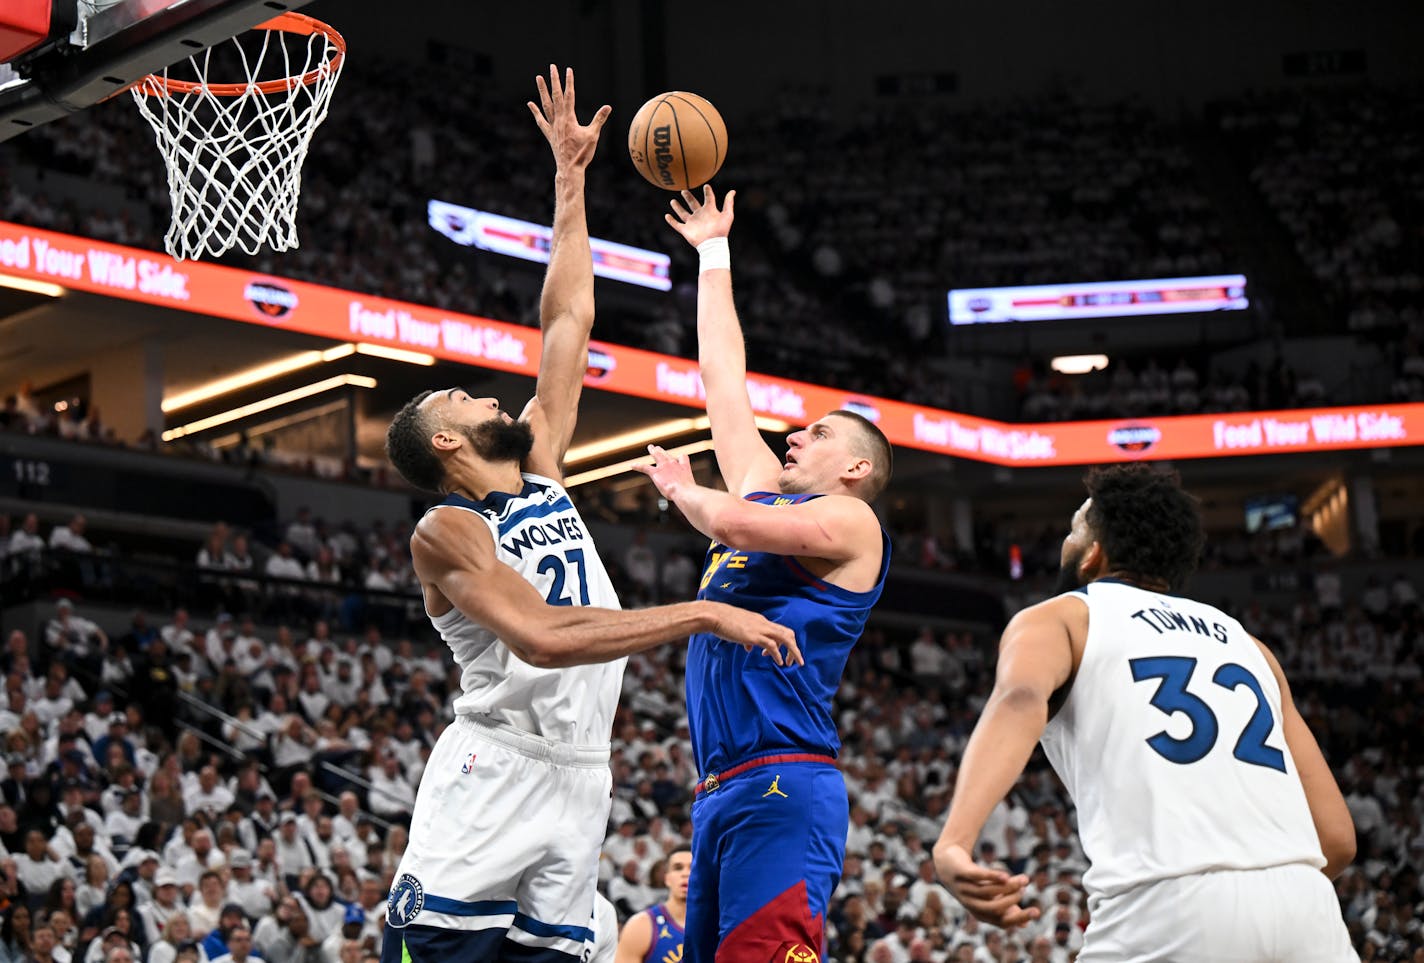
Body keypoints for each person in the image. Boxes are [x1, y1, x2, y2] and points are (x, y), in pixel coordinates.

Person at [378, 67, 797, 963]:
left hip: (580, 776)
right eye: (456, 398)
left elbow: (568, 316)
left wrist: (570, 178)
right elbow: (542, 636)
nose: (480, 395)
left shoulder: (540, 463)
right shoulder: (446, 532)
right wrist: (700, 610)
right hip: (494, 771)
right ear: (446, 446)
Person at [932, 464, 1358, 961]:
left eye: (1074, 531)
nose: (1066, 544)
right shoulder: (1252, 647)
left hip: (1169, 905)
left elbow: (1020, 699)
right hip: (1308, 908)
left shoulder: (1062, 617)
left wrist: (954, 843)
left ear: (1095, 554)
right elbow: (1338, 839)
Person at [636, 185, 893, 961]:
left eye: (816, 433)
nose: (794, 435)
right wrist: (713, 251)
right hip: (719, 788)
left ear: (853, 465)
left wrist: (683, 488)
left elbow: (736, 522)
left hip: (786, 780)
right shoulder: (763, 487)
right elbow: (722, 376)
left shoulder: (852, 521)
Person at [614, 849, 688, 963]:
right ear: (666, 878)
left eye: (693, 868)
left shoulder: (717, 926)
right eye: (678, 868)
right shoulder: (640, 926)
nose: (686, 874)